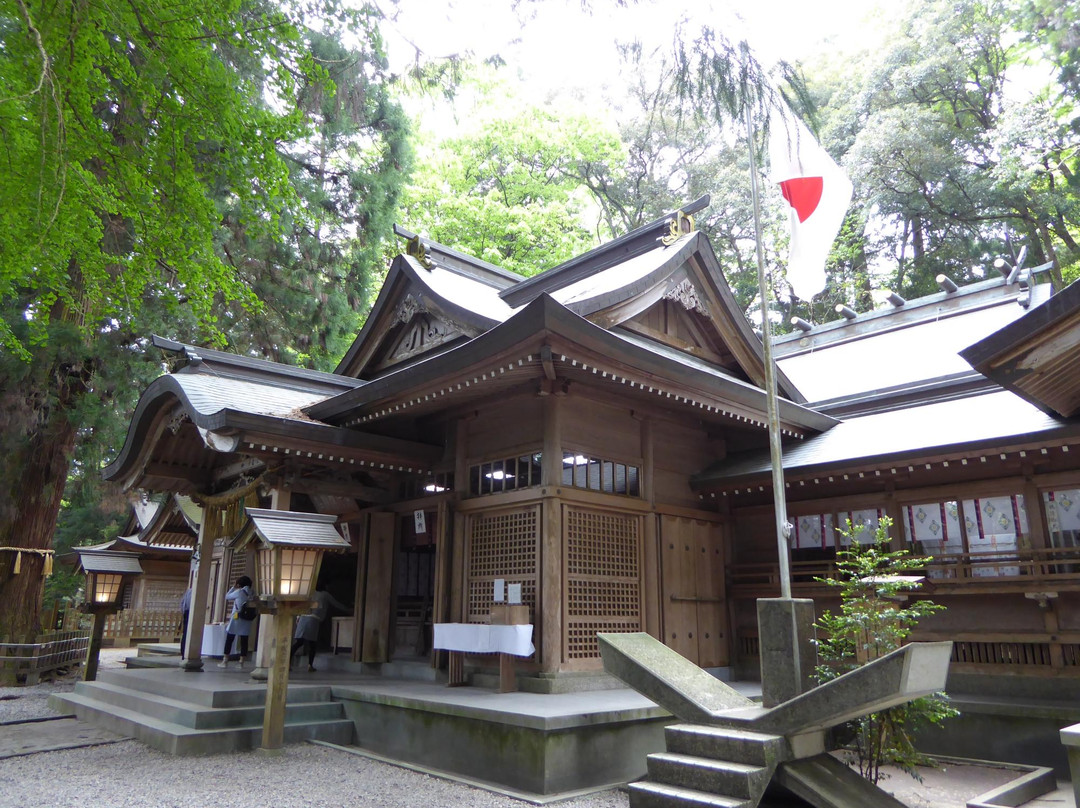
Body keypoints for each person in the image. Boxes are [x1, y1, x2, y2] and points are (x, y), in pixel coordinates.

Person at [290, 586, 348, 672]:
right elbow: (335, 603)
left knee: (299, 642)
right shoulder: (325, 594)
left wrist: (298, 616)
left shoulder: (309, 593)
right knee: (312, 644)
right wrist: (347, 609)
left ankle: (288, 663)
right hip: (313, 619)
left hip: (302, 618)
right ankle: (310, 665)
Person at [218, 575, 255, 668]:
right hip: (247, 618)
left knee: (230, 639)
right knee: (244, 640)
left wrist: (233, 587)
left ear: (239, 584)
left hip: (237, 618)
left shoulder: (239, 592)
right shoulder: (252, 593)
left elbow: (227, 596)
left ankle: (225, 660)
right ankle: (241, 662)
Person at [178, 587, 191, 658]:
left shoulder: (188, 591)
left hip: (186, 612)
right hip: (191, 613)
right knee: (188, 634)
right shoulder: (196, 592)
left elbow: (182, 603)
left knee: (185, 633)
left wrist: (183, 612)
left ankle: (183, 653)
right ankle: (187, 653)